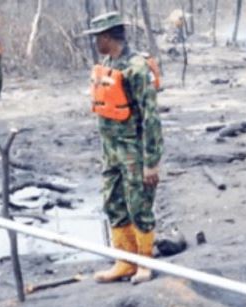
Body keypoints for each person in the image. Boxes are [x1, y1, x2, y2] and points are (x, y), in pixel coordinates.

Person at [84, 12, 164, 284]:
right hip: (112, 151)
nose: (96, 43)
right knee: (113, 203)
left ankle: (144, 262)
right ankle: (125, 261)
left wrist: (151, 162)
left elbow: (151, 117)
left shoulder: (136, 68)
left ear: (108, 37)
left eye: (97, 37)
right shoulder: (108, 64)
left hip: (134, 151)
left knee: (139, 205)